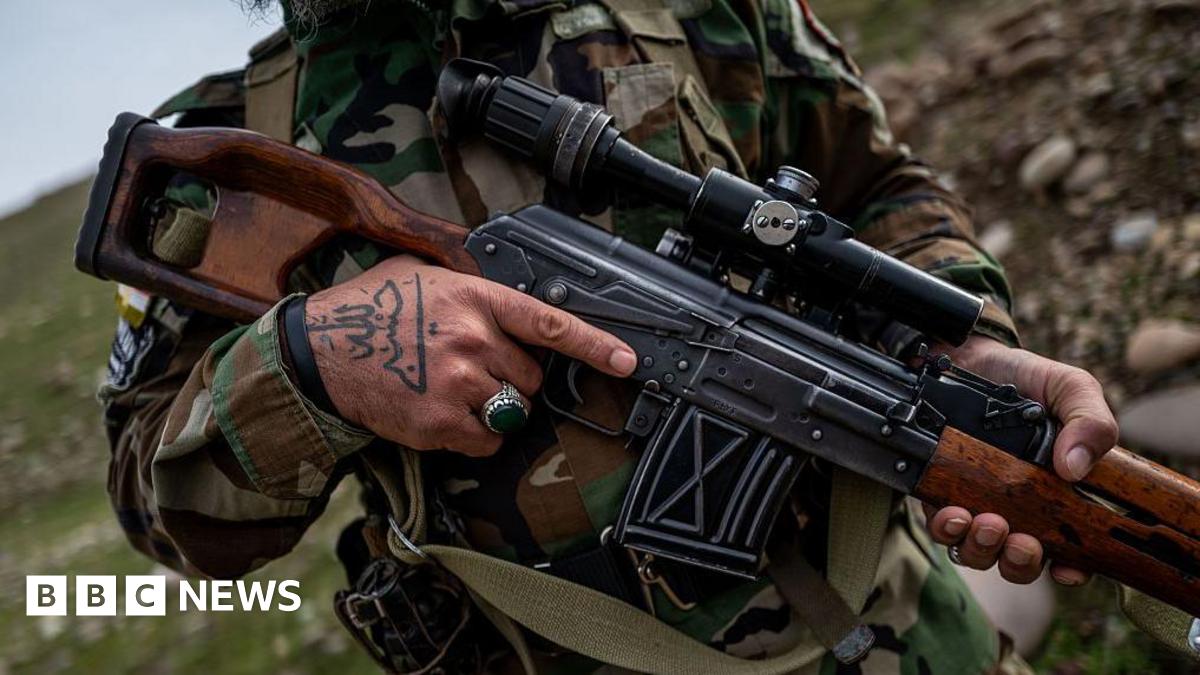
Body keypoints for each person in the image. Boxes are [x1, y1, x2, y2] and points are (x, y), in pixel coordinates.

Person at [99, 0, 1118, 672]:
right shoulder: (231, 153)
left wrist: (963, 344)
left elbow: (873, 187)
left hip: (908, 639)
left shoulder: (698, 8)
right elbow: (161, 505)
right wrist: (313, 366)